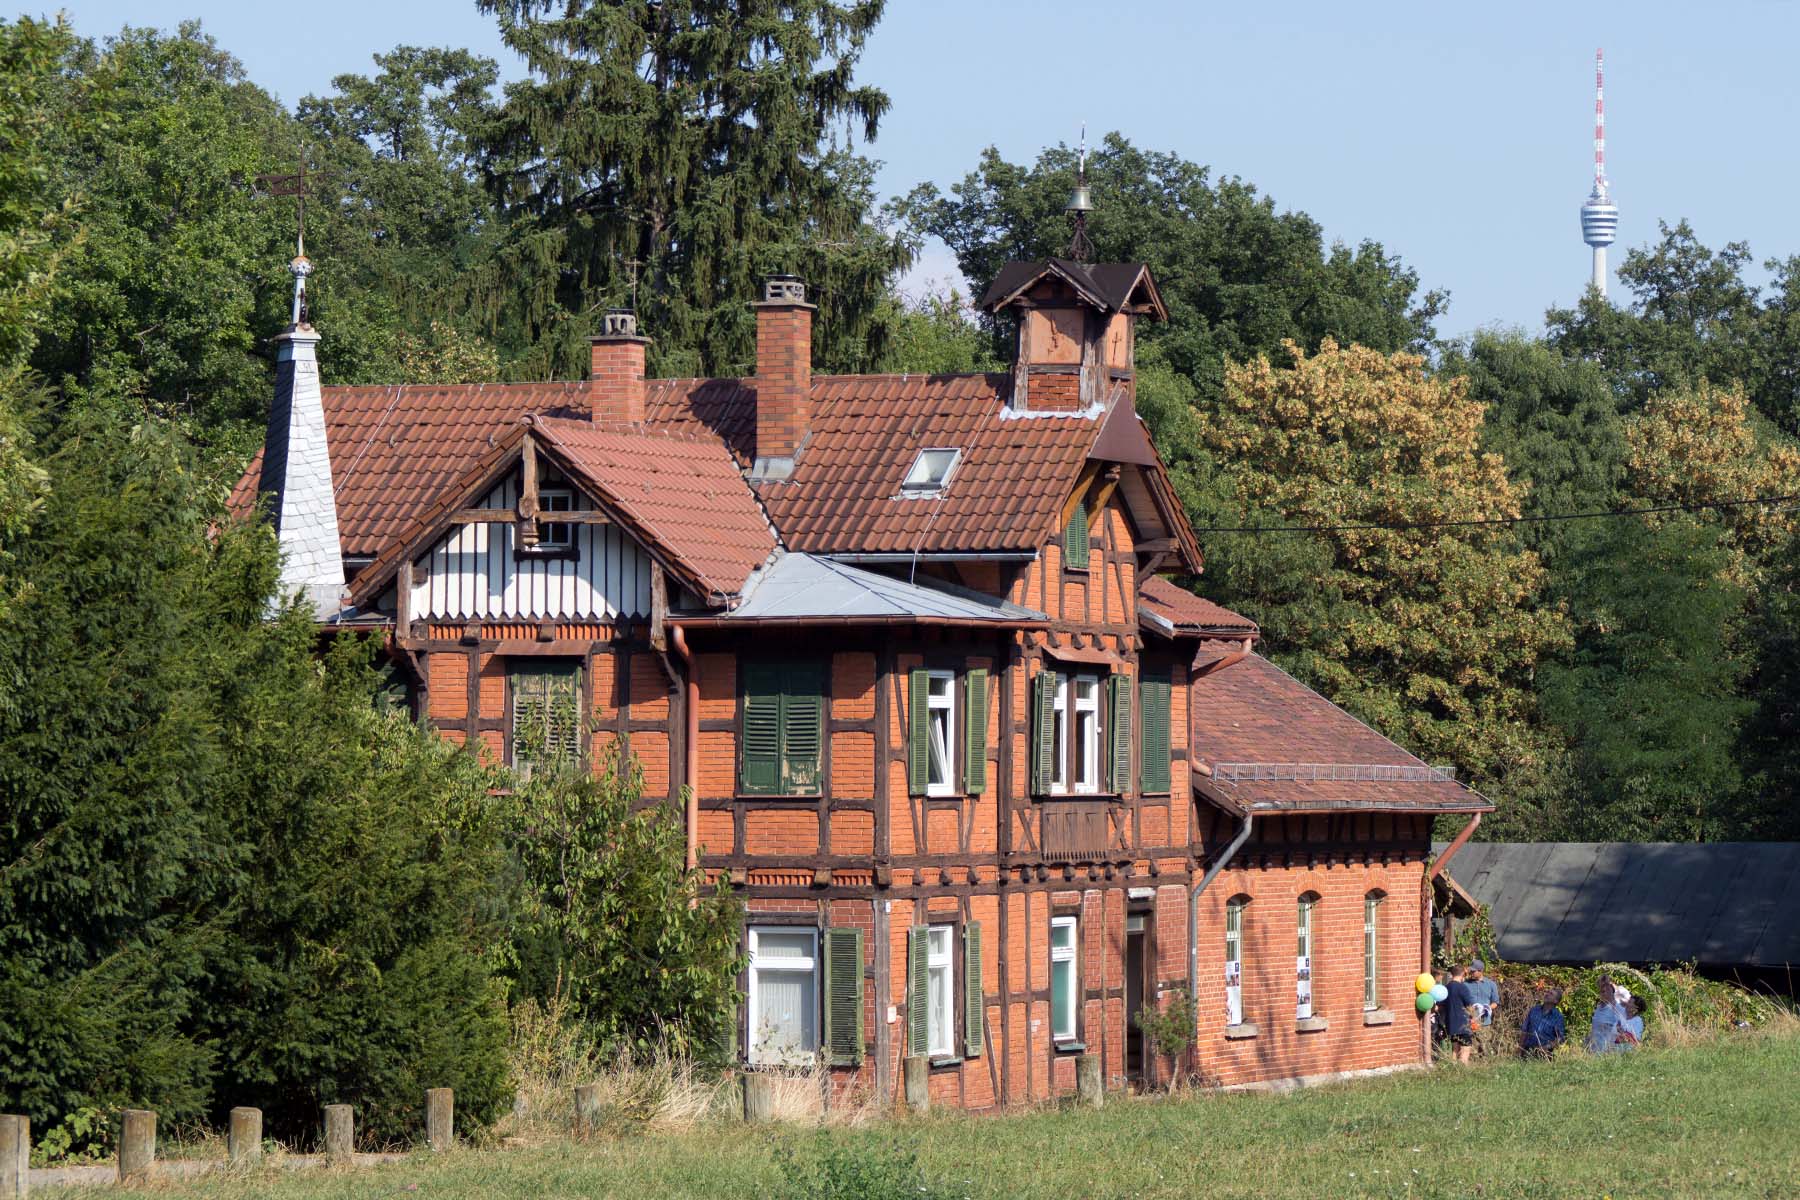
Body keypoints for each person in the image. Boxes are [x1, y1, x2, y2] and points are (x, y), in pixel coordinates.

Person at [1518, 986, 1567, 1059]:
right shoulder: (1534, 1010)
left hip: (1544, 1054)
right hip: (1527, 1051)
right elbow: (1524, 1030)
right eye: (1547, 992)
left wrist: (1546, 1047)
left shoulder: (1558, 1017)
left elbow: (1560, 1038)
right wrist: (1519, 1049)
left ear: (1556, 1001)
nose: (1547, 994)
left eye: (1551, 994)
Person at [1442, 964, 1475, 1064]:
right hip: (1463, 1024)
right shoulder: (1462, 988)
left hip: (1451, 1024)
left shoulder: (1446, 988)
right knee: (1466, 1049)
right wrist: (1474, 1017)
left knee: (1454, 1050)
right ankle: (1463, 1071)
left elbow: (1441, 1006)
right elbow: (1470, 1005)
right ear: (1462, 974)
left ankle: (1453, 1070)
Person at [1585, 976, 1625, 1054]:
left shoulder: (1617, 1009)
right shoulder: (1598, 1008)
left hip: (1607, 1053)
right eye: (1600, 991)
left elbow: (1622, 1032)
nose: (1600, 994)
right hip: (1594, 1051)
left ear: (1611, 990)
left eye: (1603, 991)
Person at [1466, 960, 1500, 1028]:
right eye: (1471, 971)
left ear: (1481, 971)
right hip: (1468, 1023)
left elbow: (1495, 1002)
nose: (1471, 973)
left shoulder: (1491, 984)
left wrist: (1486, 1008)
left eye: (1473, 971)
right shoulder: (1465, 984)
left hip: (1484, 1023)